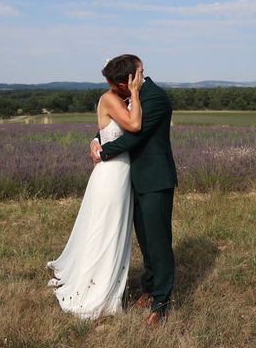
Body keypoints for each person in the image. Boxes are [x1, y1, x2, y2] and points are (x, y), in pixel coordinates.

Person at [46, 57, 144, 319]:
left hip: (120, 172)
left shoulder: (120, 98)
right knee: (105, 230)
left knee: (112, 229)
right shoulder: (112, 98)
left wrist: (95, 139)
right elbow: (134, 126)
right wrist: (134, 93)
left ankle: (108, 281)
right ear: (126, 81)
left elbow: (107, 131)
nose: (141, 78)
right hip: (111, 174)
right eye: (137, 75)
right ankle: (94, 288)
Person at [91, 54, 177, 328]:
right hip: (132, 179)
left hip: (155, 180)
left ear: (128, 81)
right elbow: (115, 123)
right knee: (145, 241)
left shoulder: (156, 99)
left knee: (159, 242)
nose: (114, 91)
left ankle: (162, 303)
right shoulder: (130, 95)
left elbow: (133, 135)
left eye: (116, 86)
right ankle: (149, 288)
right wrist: (96, 138)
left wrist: (103, 154)